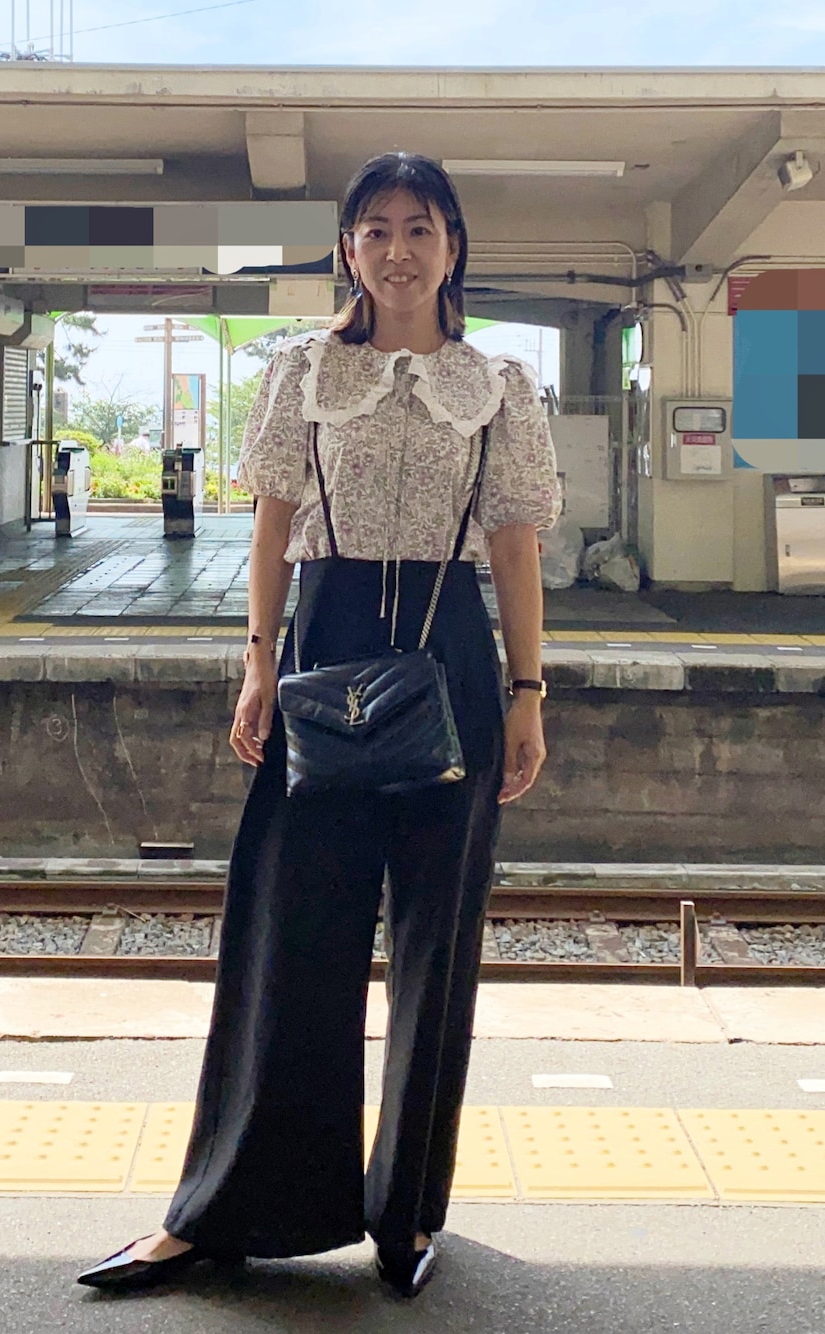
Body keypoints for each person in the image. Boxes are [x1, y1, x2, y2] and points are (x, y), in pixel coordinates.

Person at [78, 151, 561, 1300]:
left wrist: (529, 690)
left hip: (451, 657)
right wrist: (256, 660)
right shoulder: (300, 369)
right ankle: (226, 1210)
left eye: (420, 227)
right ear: (347, 248)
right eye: (375, 228)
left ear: (454, 247)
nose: (398, 249)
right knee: (289, 930)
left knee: (436, 945)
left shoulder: (498, 383)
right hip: (324, 647)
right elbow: (272, 526)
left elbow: (513, 547)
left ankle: (407, 1212)